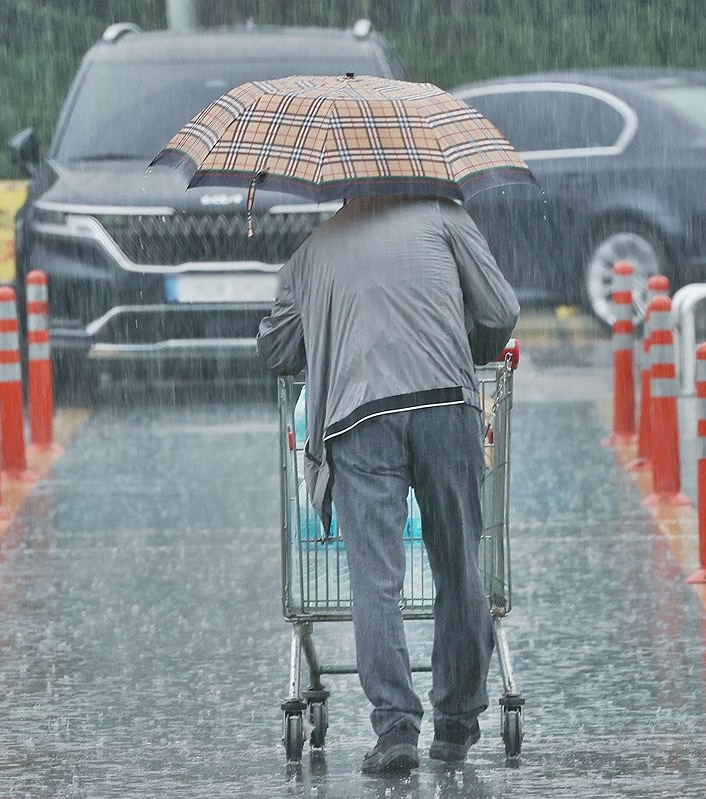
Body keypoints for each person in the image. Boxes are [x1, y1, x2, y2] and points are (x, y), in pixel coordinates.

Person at [257, 195, 519, 775]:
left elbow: (277, 351)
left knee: (375, 579)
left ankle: (396, 729)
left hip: (358, 419)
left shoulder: (309, 256)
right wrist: (458, 344)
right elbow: (501, 311)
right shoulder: (446, 217)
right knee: (459, 565)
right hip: (446, 406)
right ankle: (454, 726)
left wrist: (325, 334)